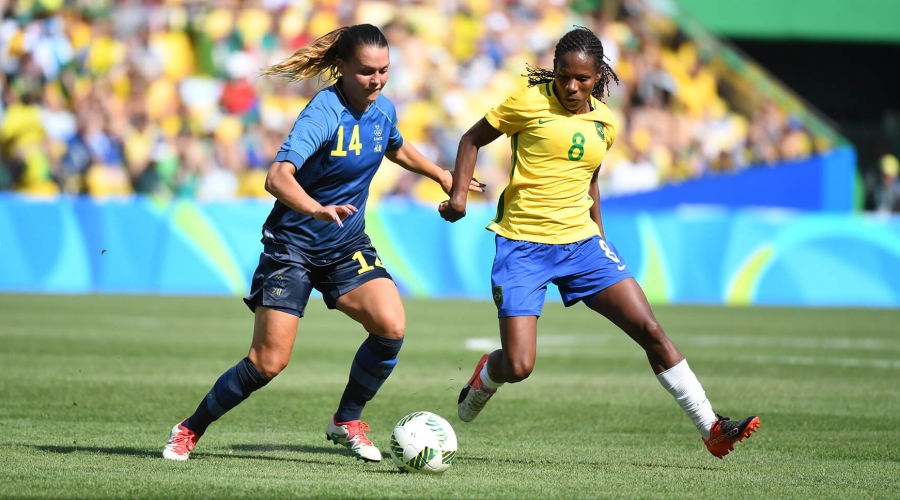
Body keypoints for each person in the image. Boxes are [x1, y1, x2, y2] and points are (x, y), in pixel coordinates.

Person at [162, 24, 483, 463]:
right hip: (292, 245)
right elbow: (276, 177)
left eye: (384, 71)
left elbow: (396, 147)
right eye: (366, 72)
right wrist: (315, 208)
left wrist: (443, 175)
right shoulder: (322, 113)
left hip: (344, 243)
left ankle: (346, 420)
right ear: (342, 68)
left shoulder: (382, 108)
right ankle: (188, 429)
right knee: (267, 363)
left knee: (391, 326)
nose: (376, 80)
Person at [438, 27, 759, 459]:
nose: (571, 86)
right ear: (553, 70)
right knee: (519, 365)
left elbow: (590, 183)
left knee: (650, 329)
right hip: (522, 245)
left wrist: (601, 239)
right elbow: (470, 139)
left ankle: (712, 428)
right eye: (564, 76)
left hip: (583, 245)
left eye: (583, 79)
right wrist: (458, 196)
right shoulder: (527, 103)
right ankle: (485, 378)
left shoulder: (606, 123)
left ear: (599, 77)